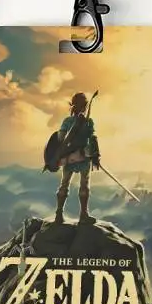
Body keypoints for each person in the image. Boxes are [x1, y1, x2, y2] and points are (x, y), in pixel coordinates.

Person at [53, 92, 100, 225]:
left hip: (74, 157)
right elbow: (63, 140)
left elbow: (91, 139)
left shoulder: (71, 121)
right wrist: (93, 154)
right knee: (79, 185)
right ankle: (80, 215)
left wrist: (94, 154)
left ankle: (61, 214)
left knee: (66, 184)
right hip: (77, 157)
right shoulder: (83, 121)